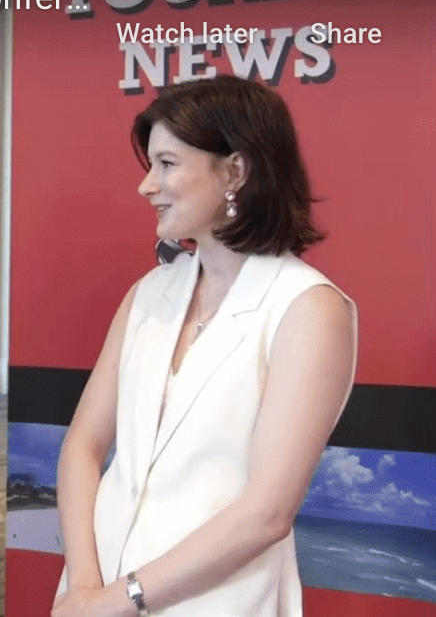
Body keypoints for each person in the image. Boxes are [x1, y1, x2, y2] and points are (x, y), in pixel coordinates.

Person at [53, 76, 357, 617]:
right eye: (150, 165)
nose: (147, 186)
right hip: (97, 592)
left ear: (235, 171)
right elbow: (83, 444)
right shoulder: (150, 292)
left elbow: (267, 511)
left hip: (214, 602)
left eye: (167, 164)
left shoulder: (308, 308)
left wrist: (122, 599)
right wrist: (82, 588)